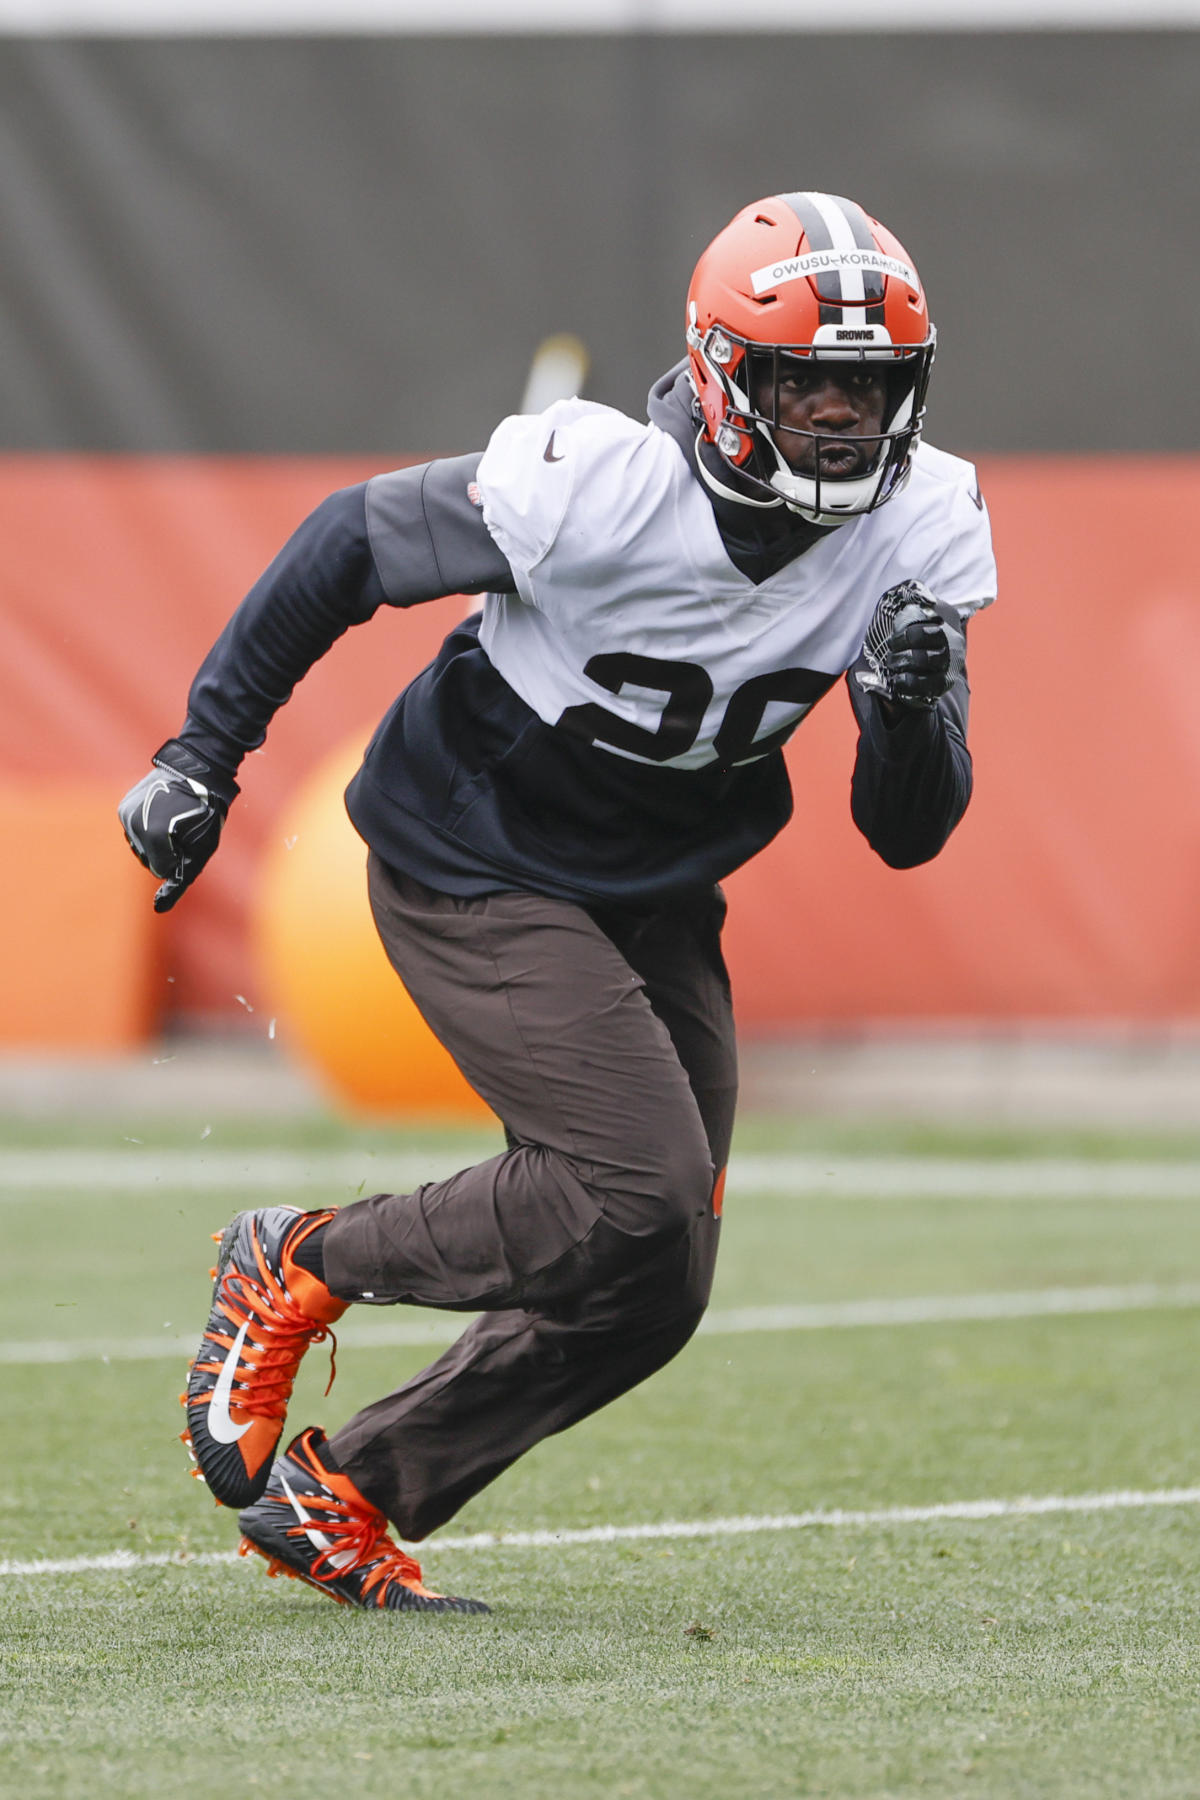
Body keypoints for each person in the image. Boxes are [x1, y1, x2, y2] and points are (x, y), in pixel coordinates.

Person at [118, 191, 996, 1616]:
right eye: (803, 380)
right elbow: (350, 543)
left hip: (654, 884)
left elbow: (909, 834)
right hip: (475, 845)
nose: (839, 417)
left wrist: (907, 711)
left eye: (870, 386)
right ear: (725, 373)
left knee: (660, 1274)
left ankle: (346, 1496)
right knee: (634, 1189)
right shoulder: (598, 479)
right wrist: (200, 756)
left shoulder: (926, 521)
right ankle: (298, 1260)